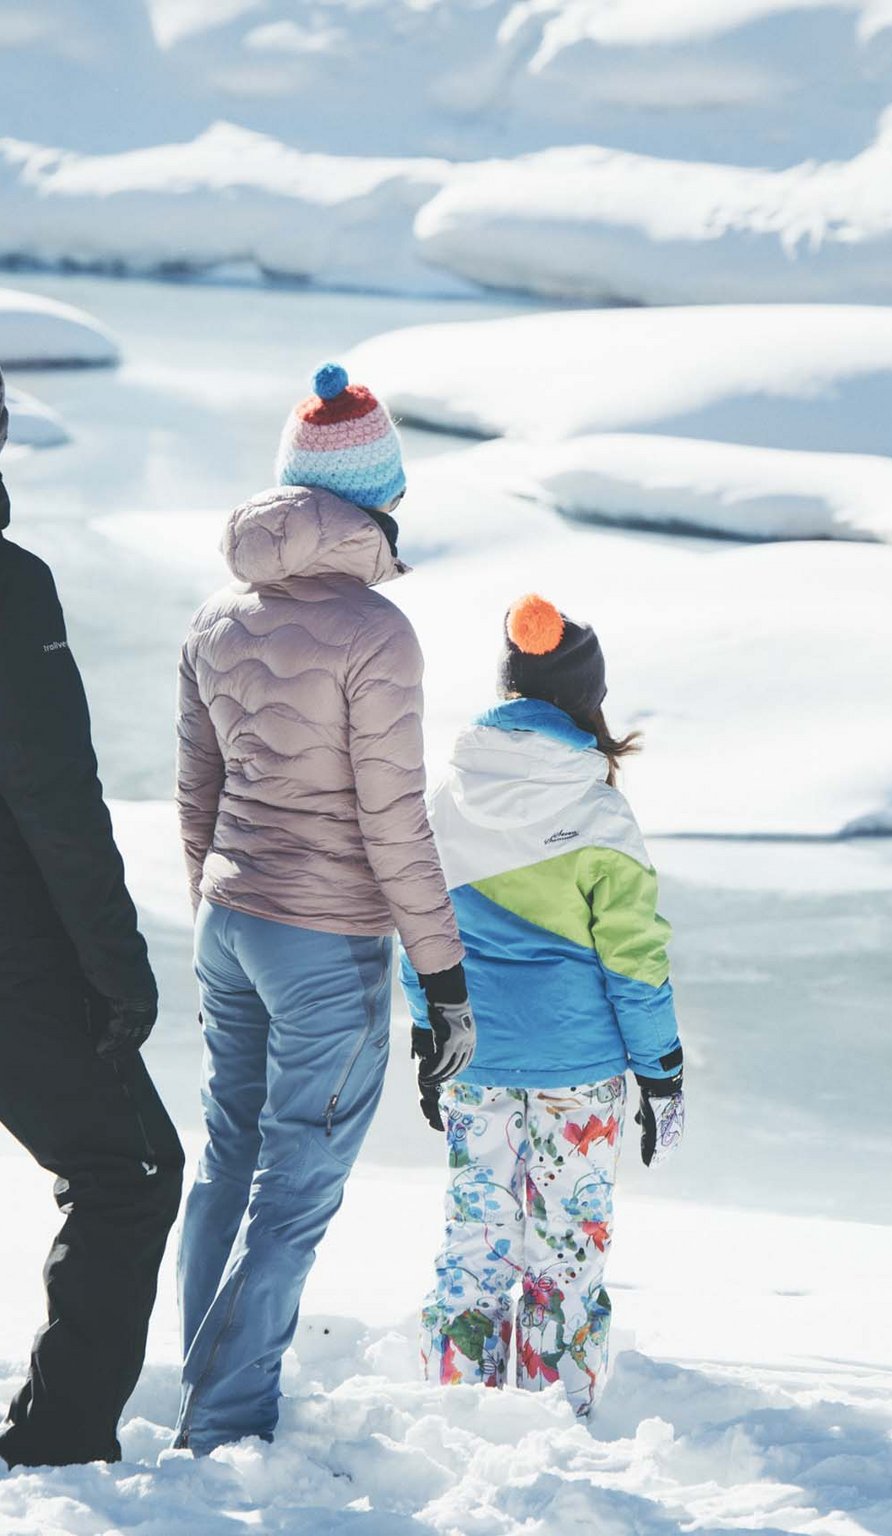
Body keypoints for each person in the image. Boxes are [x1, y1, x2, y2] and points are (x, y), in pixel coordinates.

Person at [174, 363, 476, 1454]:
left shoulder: (218, 615)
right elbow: (396, 820)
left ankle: (210, 1394)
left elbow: (196, 790)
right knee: (293, 1191)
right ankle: (225, 1419)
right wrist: (442, 980)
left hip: (232, 923)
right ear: (378, 498)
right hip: (325, 941)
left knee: (225, 1162)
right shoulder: (376, 633)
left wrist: (220, 898)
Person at [405, 593, 684, 1416]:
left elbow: (415, 931)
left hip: (476, 1060)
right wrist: (662, 1073)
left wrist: (430, 1041)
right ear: (583, 703)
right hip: (580, 1070)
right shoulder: (599, 810)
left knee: (474, 1244)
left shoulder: (444, 801)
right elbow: (636, 961)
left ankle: (458, 1413)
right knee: (564, 1251)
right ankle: (558, 1420)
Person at [0, 367, 184, 1468]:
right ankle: (61, 1442)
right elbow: (53, 793)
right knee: (134, 1169)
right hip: (15, 953)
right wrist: (121, 973)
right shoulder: (10, 588)